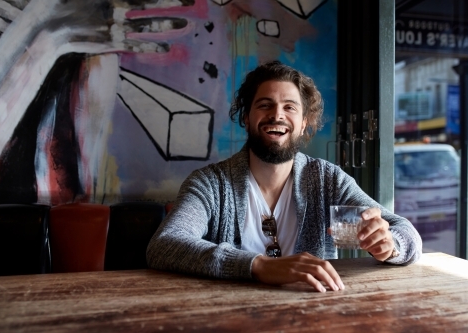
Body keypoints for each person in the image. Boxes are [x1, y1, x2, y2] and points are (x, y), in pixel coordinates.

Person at [146, 61, 422, 293]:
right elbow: (165, 245)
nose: (276, 114)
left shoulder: (327, 180)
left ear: (303, 124)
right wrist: (259, 265)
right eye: (265, 105)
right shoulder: (210, 184)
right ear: (246, 118)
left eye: (289, 107)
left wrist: (391, 245)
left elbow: (407, 234)